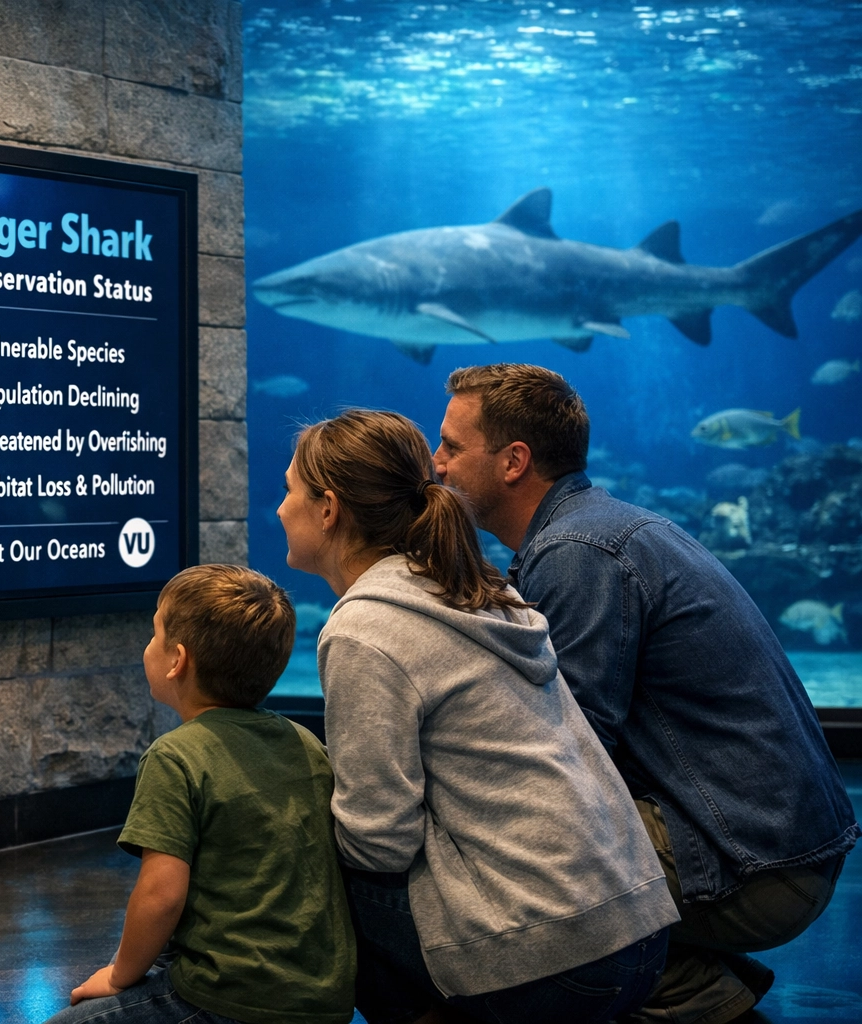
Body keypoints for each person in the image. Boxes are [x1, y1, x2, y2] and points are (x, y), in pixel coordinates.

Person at [433, 363, 858, 1024]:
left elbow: (562, 760)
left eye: (452, 447)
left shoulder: (577, 551)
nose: (437, 464)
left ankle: (672, 990)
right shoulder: (593, 529)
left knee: (485, 857)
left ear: (513, 460)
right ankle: (683, 980)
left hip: (756, 866)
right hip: (779, 848)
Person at [279, 408, 678, 1024]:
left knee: (312, 857)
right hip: (641, 935)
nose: (280, 510)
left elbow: (379, 842)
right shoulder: (478, 588)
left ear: (328, 509)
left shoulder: (365, 628)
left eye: (288, 492)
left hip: (556, 964)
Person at [42, 564, 357, 1024]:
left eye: (155, 633)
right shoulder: (304, 742)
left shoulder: (175, 757)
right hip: (321, 999)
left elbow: (161, 896)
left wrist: (118, 977)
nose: (147, 646)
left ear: (177, 661)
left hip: (228, 996)